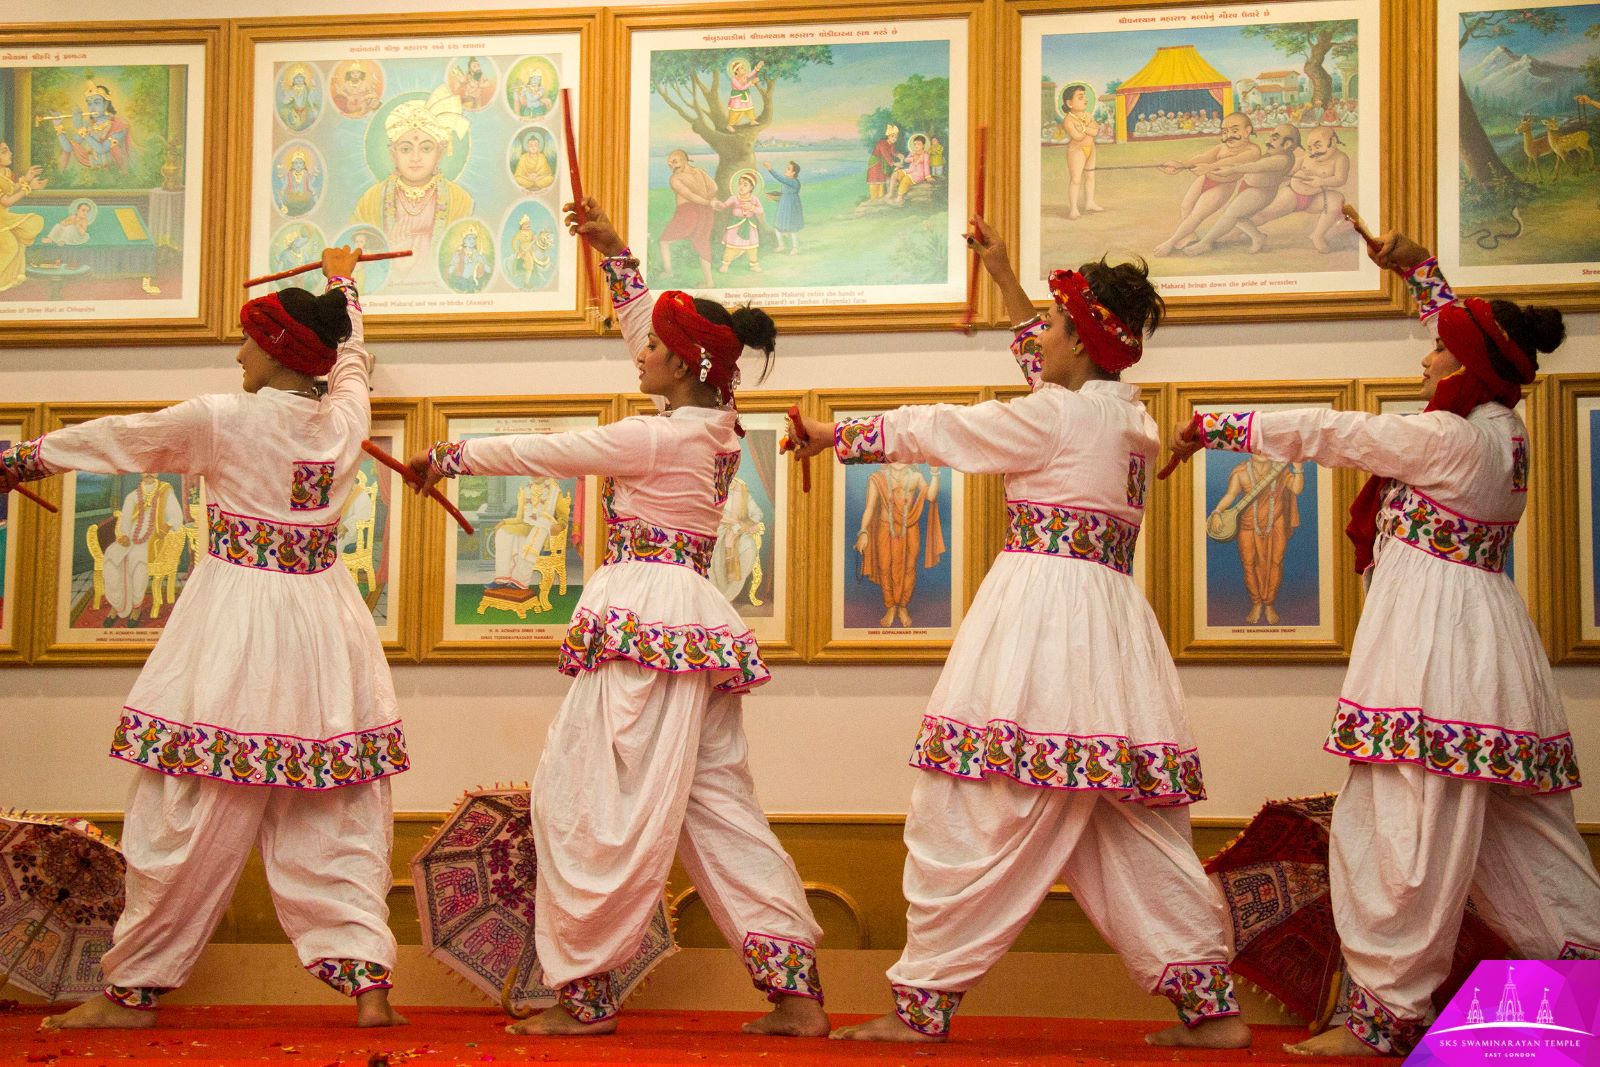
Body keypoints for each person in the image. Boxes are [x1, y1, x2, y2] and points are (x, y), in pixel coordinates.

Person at [787, 216, 1249, 1050]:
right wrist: (1005, 278)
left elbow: (946, 428)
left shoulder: (1058, 419)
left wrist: (833, 434)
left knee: (964, 809)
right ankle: (1211, 1008)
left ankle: (922, 1003)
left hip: (1043, 622)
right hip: (1110, 629)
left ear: (1084, 341)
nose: (1043, 337)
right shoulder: (1127, 418)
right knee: (1130, 828)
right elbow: (1044, 369)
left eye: (1057, 323)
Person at [1162, 231, 1600, 1058]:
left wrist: (1213, 426)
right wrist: (1419, 274)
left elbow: (1336, 432)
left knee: (1401, 835)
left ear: (1467, 367)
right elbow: (1476, 339)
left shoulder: (1448, 440)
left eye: (1440, 351)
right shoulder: (1502, 426)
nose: (1427, 358)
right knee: (1532, 851)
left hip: (1433, 662)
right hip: (1493, 662)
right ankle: (1588, 1001)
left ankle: (1380, 1021)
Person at [407, 197, 827, 1039]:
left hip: (645, 623)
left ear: (685, 364)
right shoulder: (715, 421)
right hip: (690, 626)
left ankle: (586, 992)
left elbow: (549, 449)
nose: (640, 355)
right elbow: (657, 332)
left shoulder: (659, 438)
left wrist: (448, 456)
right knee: (720, 812)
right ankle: (797, 995)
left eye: (654, 351)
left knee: (591, 799)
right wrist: (616, 254)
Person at [2, 247, 407, 1031]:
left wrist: (22, 457)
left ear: (280, 350)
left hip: (238, 625)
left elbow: (123, 438)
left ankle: (133, 990)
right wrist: (345, 284)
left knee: (183, 808)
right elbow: (354, 356)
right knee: (335, 811)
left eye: (250, 339)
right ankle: (371, 988)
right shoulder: (345, 416)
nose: (238, 353)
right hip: (327, 627)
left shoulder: (223, 418)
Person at [353, 86, 472, 286]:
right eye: (406, 149)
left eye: (425, 148)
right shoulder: (371, 199)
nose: (415, 158)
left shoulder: (459, 199)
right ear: (393, 153)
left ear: (440, 153)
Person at [1152, 112, 1260, 257]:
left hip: (1223, 186)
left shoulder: (1253, 150)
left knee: (1196, 215)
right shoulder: (1221, 147)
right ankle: (1189, 235)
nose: (1229, 136)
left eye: (1235, 131)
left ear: (1247, 130)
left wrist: (1210, 167)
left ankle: (1170, 243)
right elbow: (1203, 157)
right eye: (1225, 132)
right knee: (1186, 206)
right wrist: (1181, 165)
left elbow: (1232, 162)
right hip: (1205, 179)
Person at [855, 461, 942, 628]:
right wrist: (863, 531)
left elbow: (931, 496)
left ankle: (902, 607)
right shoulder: (877, 478)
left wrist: (935, 473)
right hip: (885, 529)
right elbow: (870, 508)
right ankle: (890, 607)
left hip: (910, 529)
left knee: (909, 567)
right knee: (884, 567)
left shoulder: (916, 477)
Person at [94, 472, 186, 625]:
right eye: (145, 470)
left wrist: (166, 527)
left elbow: (176, 516)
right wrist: (124, 535)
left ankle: (136, 606)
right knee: (111, 555)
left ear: (157, 472)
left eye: (153, 469)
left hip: (155, 539)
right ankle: (117, 605)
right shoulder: (132, 496)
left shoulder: (166, 491)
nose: (149, 473)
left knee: (136, 559)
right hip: (132, 537)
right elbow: (125, 521)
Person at [659, 149, 717, 287]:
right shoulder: (699, 172)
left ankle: (668, 272)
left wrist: (708, 201)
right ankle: (709, 282)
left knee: (664, 241)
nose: (672, 167)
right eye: (670, 165)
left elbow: (692, 195)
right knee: (702, 242)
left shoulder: (675, 178)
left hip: (688, 213)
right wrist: (709, 201)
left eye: (674, 162)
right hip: (706, 211)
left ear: (684, 159)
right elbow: (712, 188)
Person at [0, 142, 46, 292]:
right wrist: (28, 188)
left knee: (17, 244)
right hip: (1, 220)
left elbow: (11, 189)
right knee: (10, 246)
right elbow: (6, 201)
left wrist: (27, 178)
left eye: (8, 150)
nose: (10, 153)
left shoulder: (5, 172)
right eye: (4, 151)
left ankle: (8, 279)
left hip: (4, 218)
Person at [1057, 84, 1103, 220]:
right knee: (1076, 179)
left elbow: (1095, 132)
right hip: (1076, 151)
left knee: (1090, 176)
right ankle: (1073, 209)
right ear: (1070, 103)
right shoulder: (1068, 120)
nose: (1085, 100)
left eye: (1085, 97)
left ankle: (1089, 203)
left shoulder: (1088, 115)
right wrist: (1087, 128)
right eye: (1080, 97)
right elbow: (1077, 137)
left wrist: (1083, 128)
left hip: (1091, 149)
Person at [715, 169, 765, 274]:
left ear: (751, 188)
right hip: (735, 226)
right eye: (740, 184)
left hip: (749, 226)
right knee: (731, 246)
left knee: (751, 247)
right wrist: (719, 205)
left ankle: (754, 265)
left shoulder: (754, 199)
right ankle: (725, 264)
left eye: (745, 185)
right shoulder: (734, 198)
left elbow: (761, 210)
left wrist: (752, 207)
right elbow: (725, 205)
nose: (741, 187)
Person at [762, 160, 803, 254]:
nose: (786, 170)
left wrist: (770, 169)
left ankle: (795, 248)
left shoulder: (794, 182)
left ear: (793, 173)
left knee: (792, 228)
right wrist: (774, 198)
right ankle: (781, 246)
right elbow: (785, 195)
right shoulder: (788, 182)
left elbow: (780, 178)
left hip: (791, 208)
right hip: (783, 207)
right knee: (778, 227)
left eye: (788, 169)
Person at [888, 135, 932, 205]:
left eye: (918, 144)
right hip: (910, 170)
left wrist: (928, 177)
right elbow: (906, 160)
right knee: (895, 174)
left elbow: (926, 166)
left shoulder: (925, 155)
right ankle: (890, 193)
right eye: (915, 144)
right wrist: (912, 158)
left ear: (923, 145)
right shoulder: (912, 152)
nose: (916, 146)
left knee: (906, 179)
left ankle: (899, 198)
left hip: (919, 174)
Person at [726, 59, 765, 131]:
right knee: (736, 111)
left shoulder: (745, 76)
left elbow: (752, 74)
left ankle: (752, 121)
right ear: (736, 71)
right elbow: (741, 88)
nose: (744, 69)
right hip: (737, 98)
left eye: (744, 67)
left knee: (749, 109)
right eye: (742, 68)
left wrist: (758, 67)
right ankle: (730, 125)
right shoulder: (734, 79)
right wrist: (751, 82)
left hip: (746, 96)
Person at [867, 122, 900, 200]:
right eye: (892, 136)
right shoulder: (882, 143)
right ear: (888, 136)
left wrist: (898, 154)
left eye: (896, 137)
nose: (894, 139)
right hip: (875, 163)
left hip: (883, 163)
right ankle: (874, 198)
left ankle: (880, 197)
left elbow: (893, 152)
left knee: (882, 180)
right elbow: (886, 154)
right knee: (875, 180)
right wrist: (893, 163)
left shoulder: (891, 144)